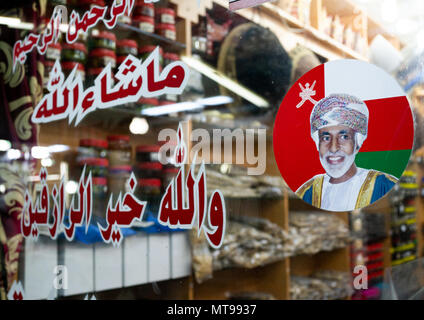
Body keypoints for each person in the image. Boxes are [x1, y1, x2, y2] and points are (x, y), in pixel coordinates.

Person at [296, 94, 398, 211]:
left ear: (357, 143)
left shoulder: (384, 185)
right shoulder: (307, 191)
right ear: (317, 143)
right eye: (326, 138)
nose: (333, 148)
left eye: (344, 137)